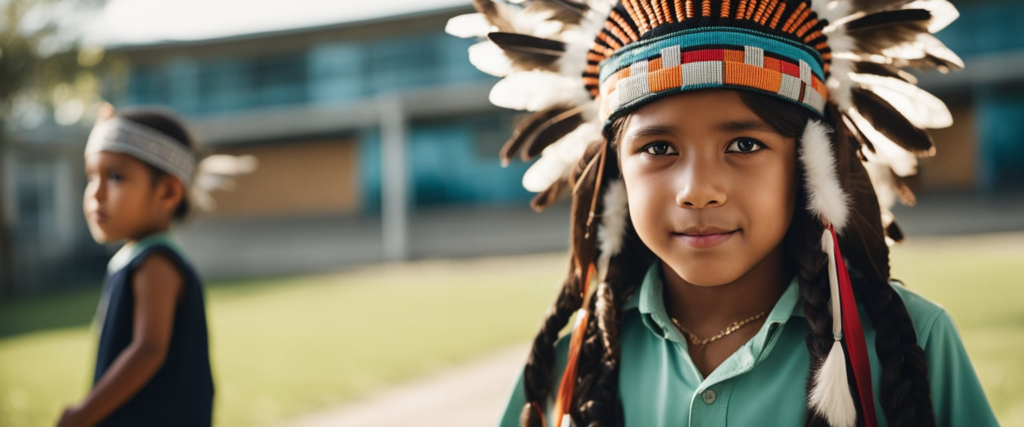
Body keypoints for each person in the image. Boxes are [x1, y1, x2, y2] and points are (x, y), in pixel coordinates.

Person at [446, 0, 998, 426]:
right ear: (617, 174)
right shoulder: (573, 364)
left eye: (744, 145)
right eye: (659, 148)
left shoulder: (910, 342)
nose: (699, 190)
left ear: (809, 166)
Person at [59, 108, 214, 427]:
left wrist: (83, 414)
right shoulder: (136, 257)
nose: (96, 194)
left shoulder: (156, 262)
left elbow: (148, 349)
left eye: (115, 176)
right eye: (91, 177)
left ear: (168, 192)